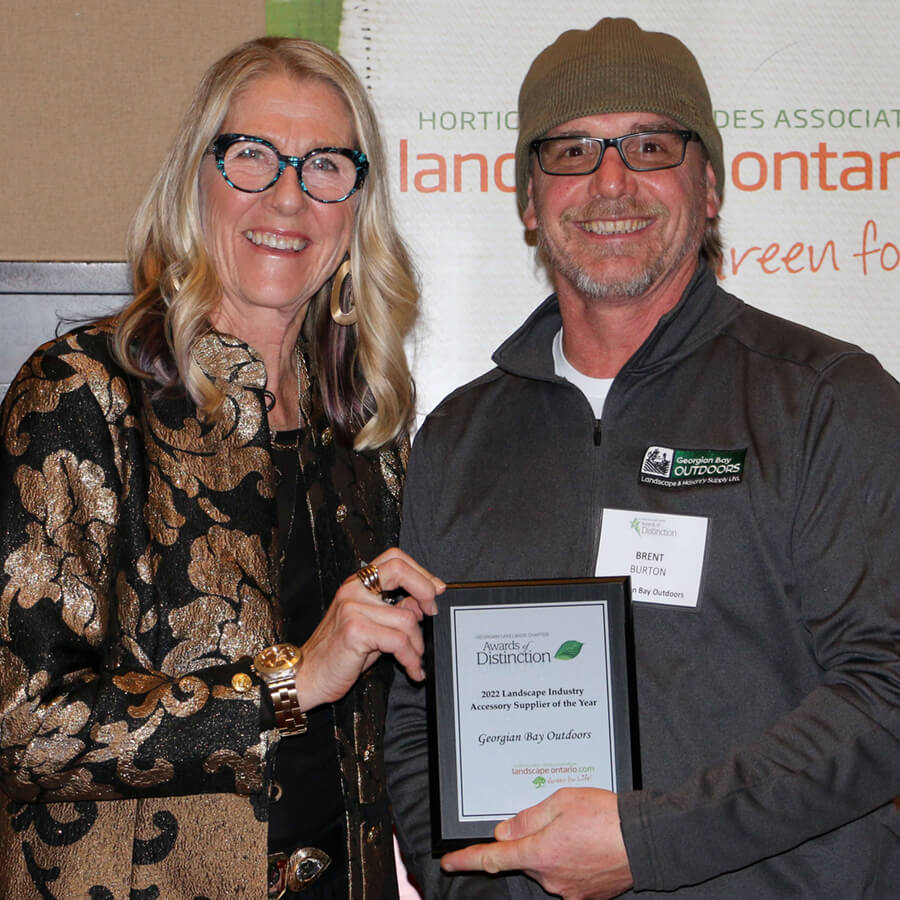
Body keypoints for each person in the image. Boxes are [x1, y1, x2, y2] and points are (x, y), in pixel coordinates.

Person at [386, 17, 900, 899]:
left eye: (650, 145)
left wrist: (648, 839)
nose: (610, 182)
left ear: (708, 187)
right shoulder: (458, 439)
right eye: (572, 151)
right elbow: (416, 720)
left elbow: (888, 690)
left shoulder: (826, 400)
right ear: (527, 199)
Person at [0, 37, 443, 899]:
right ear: (194, 182)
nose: (288, 196)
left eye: (324, 166)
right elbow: (21, 723)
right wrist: (288, 685)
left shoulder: (366, 429)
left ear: (357, 207)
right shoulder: (82, 394)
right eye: (252, 156)